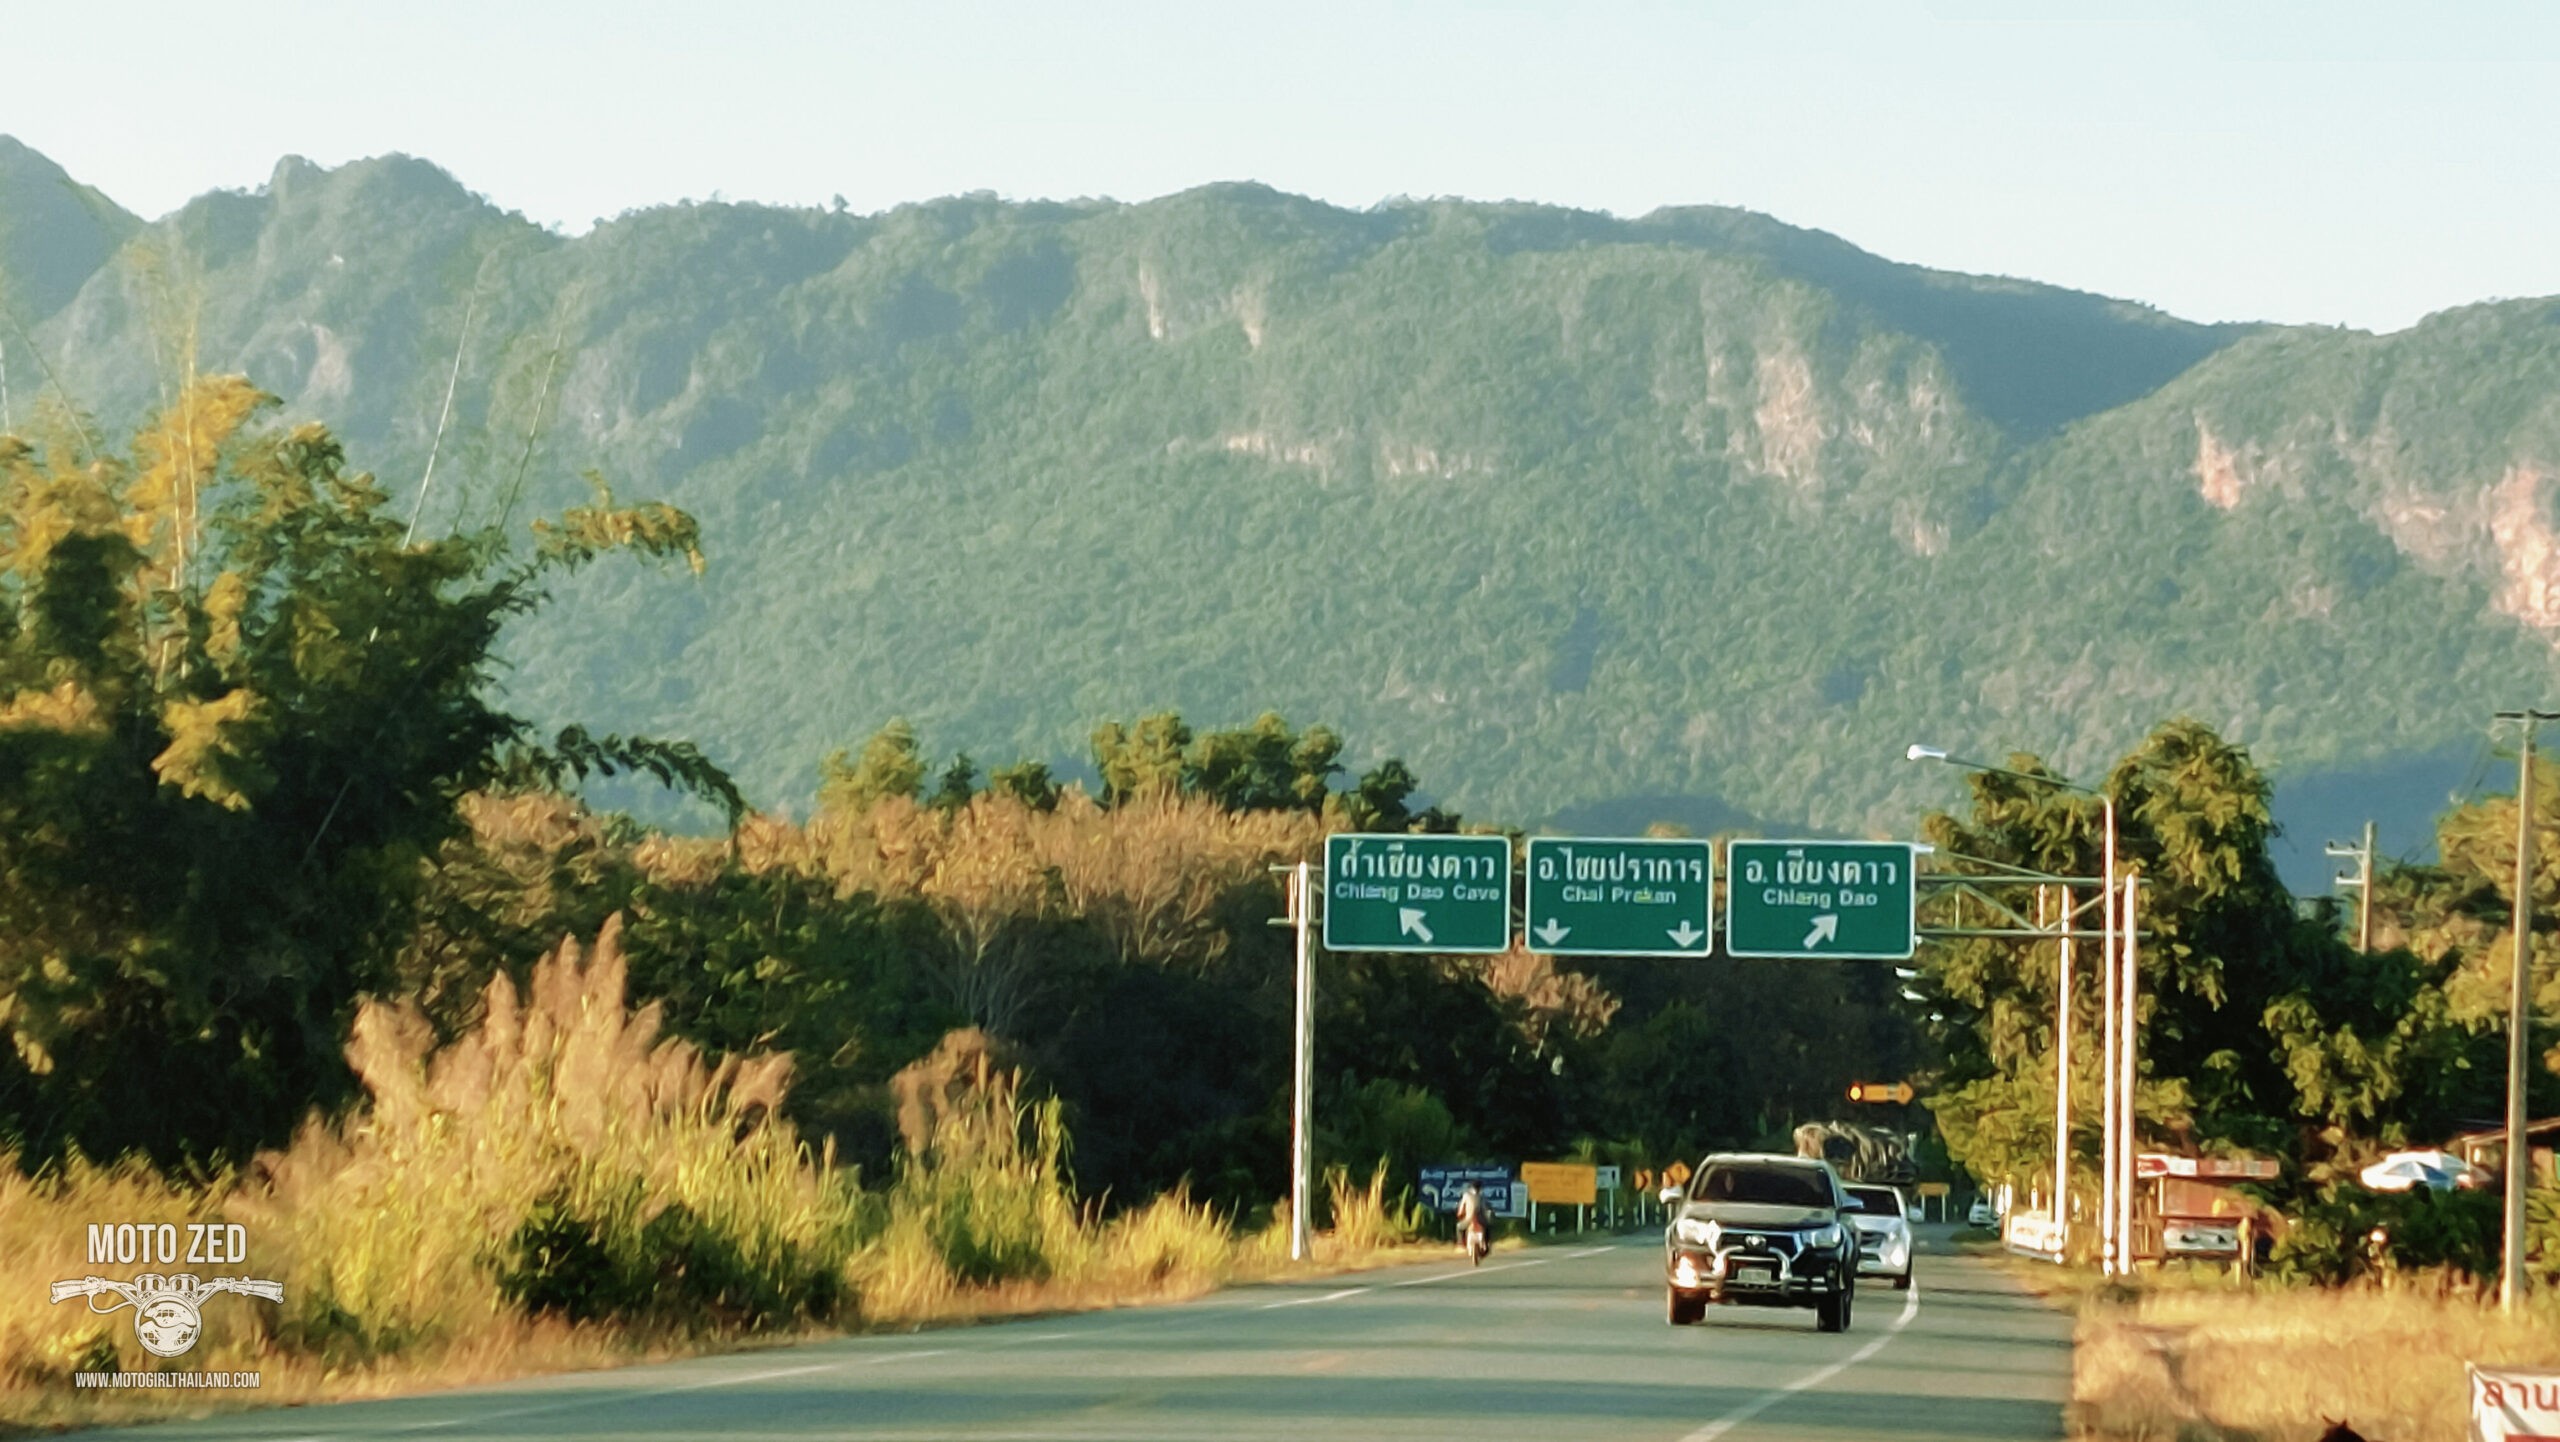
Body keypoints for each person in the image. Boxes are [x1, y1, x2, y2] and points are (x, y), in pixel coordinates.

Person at [1455, 1182, 1488, 1258]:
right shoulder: (1482, 1196)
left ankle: (1461, 1243)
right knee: (1487, 1227)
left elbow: (1461, 1207)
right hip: (1481, 1219)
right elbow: (1485, 1208)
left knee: (1459, 1227)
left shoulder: (1466, 1195)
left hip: (1469, 1219)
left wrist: (1459, 1213)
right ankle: (1485, 1243)